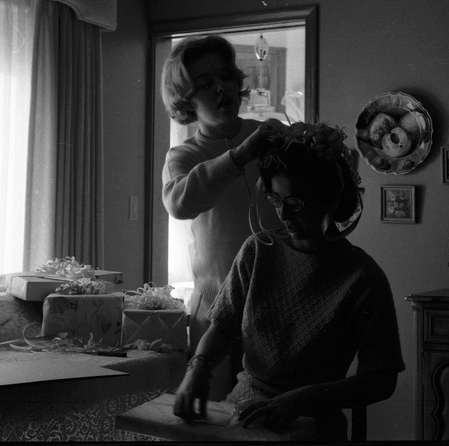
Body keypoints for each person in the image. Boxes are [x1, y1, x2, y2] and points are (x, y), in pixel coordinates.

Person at [172, 122, 405, 441]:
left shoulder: (362, 277)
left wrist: (303, 399)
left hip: (312, 428)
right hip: (243, 416)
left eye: (296, 203)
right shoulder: (258, 251)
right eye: (275, 200)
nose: (284, 215)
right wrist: (198, 367)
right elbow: (222, 328)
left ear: (329, 198)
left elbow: (381, 379)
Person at [161, 35, 288, 400]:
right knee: (214, 419)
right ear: (186, 98)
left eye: (226, 77)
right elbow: (180, 204)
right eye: (205, 84)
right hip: (217, 309)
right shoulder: (182, 157)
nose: (221, 88)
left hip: (279, 305)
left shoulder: (272, 136)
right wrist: (240, 156)